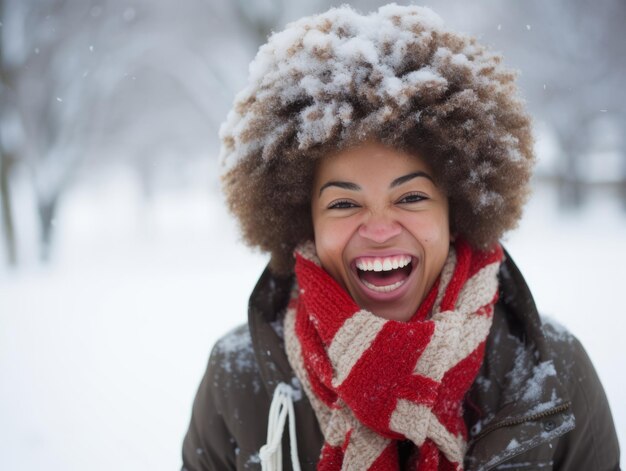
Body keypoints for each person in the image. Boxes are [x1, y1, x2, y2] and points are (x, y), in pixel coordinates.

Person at [182, 5, 620, 470]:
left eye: (410, 197)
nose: (379, 229)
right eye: (344, 204)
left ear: (457, 213)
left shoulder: (554, 374)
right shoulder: (238, 379)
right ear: (303, 221)